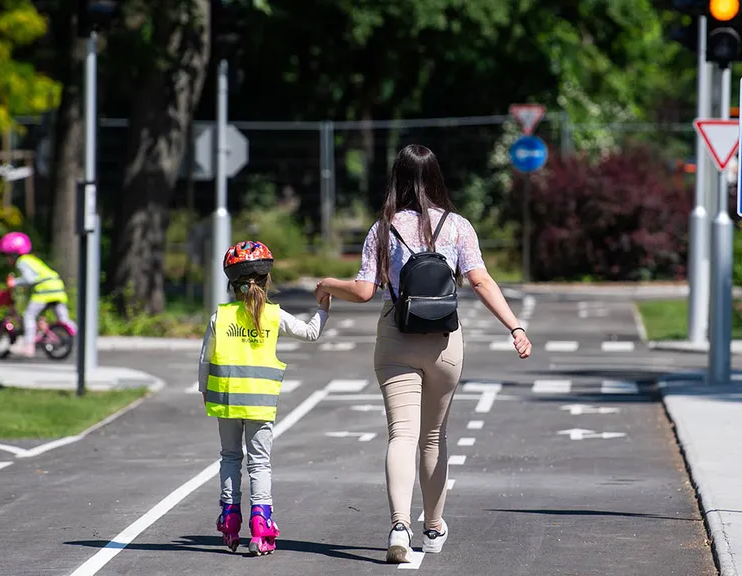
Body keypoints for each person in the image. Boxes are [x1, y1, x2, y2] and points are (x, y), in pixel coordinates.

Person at [314, 144, 532, 564]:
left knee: (402, 434)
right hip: (445, 344)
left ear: (396, 178)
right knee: (434, 437)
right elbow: (482, 281)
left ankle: (399, 524)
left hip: (396, 337)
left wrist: (326, 284)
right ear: (435, 178)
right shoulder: (458, 226)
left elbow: (363, 291)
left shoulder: (383, 228)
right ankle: (433, 527)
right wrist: (515, 327)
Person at [198, 240, 331, 556]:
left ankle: (230, 519)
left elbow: (205, 360)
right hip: (261, 401)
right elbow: (311, 333)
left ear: (232, 284)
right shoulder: (273, 315)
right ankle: (261, 525)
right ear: (267, 280)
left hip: (227, 400)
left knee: (230, 457)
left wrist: (205, 392)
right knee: (260, 463)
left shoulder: (222, 316)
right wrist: (324, 307)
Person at [0, 232, 73, 358]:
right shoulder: (32, 259)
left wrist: (14, 282)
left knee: (29, 315)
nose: (6, 259)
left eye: (7, 255)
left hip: (45, 290)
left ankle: (28, 346)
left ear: (14, 253)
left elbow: (30, 279)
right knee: (62, 318)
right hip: (57, 287)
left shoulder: (22, 261)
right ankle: (75, 334)